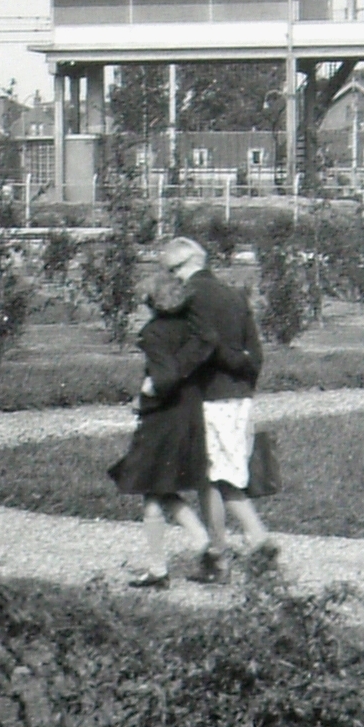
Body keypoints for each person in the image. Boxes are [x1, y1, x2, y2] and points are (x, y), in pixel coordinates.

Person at [108, 251, 219, 584]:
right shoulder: (193, 329)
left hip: (163, 419)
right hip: (189, 414)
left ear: (151, 302)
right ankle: (201, 542)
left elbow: (165, 377)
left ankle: (159, 569)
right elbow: (205, 346)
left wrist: (149, 390)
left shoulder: (154, 333)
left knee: (151, 489)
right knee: (161, 488)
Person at [164, 235, 269, 570]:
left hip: (208, 395)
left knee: (208, 478)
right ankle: (254, 541)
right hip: (239, 396)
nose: (173, 277)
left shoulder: (191, 297)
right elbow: (256, 353)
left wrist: (171, 381)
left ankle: (221, 554)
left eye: (173, 269)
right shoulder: (233, 294)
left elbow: (199, 348)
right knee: (226, 475)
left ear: (188, 264)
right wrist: (244, 379)